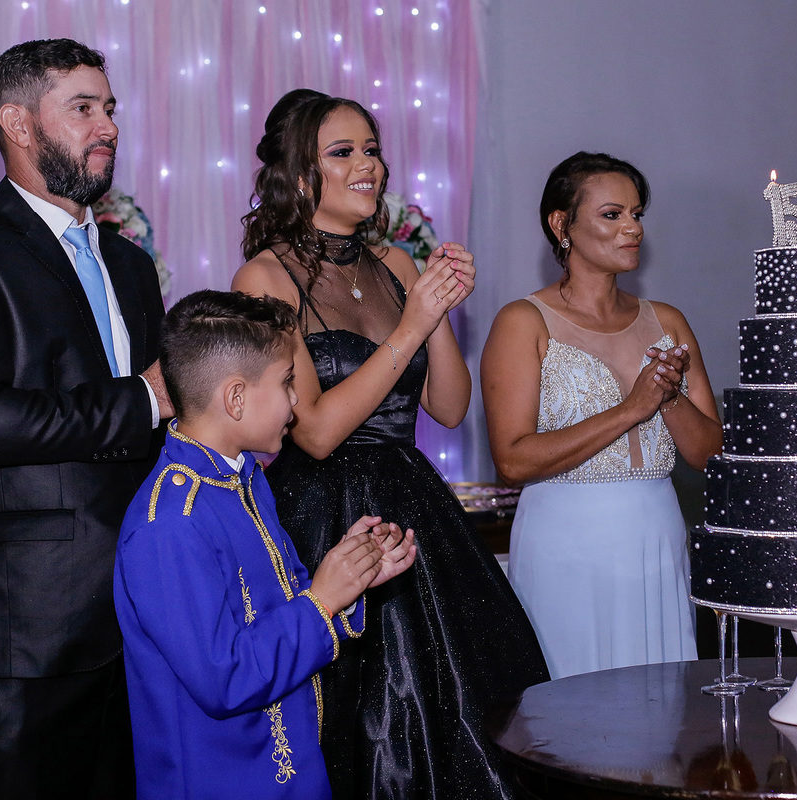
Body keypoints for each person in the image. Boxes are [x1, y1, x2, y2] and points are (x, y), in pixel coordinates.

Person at [232, 89, 549, 800]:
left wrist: (435, 305)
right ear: (299, 174)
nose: (368, 165)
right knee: (354, 713)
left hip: (413, 503)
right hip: (323, 514)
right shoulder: (264, 276)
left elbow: (450, 406)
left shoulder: (396, 264)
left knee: (466, 704)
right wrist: (412, 325)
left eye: (371, 149)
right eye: (343, 152)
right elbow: (315, 431)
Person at [0, 38, 171, 798]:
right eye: (83, 108)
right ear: (18, 124)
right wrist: (143, 398)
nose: (108, 126)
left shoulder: (130, 265)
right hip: (22, 631)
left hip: (140, 616)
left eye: (109, 107)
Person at [114, 289, 417, 800]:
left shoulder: (244, 478)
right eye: (286, 381)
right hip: (223, 781)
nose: (296, 400)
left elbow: (280, 605)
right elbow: (225, 678)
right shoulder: (169, 525)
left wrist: (349, 579)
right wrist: (323, 600)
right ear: (235, 398)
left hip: (290, 768)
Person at [480, 152, 723, 679]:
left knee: (662, 697)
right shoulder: (523, 322)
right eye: (612, 215)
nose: (633, 228)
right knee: (571, 702)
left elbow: (709, 453)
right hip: (565, 541)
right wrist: (631, 409)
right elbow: (513, 461)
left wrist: (668, 396)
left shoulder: (668, 321)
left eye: (637, 214)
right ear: (561, 225)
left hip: (655, 534)